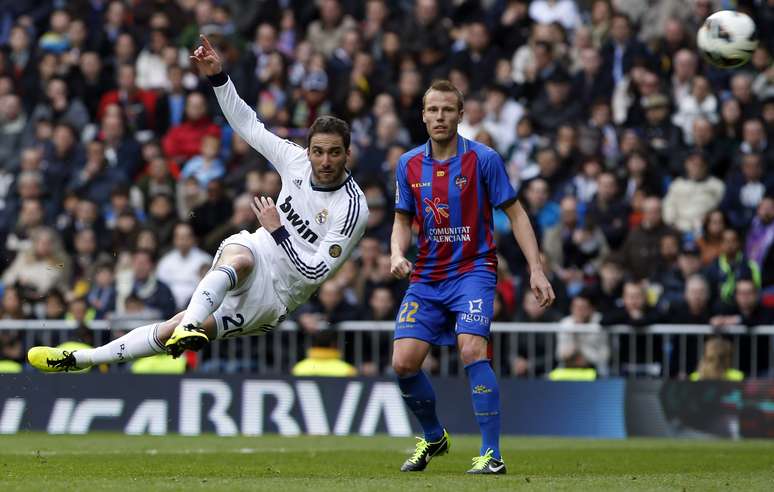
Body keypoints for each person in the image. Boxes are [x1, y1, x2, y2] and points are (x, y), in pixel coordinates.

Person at [27, 35, 368, 373]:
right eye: (318, 151)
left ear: (347, 154)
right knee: (240, 259)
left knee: (169, 328)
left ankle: (143, 340)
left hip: (277, 295)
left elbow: (314, 274)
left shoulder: (351, 208)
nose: (325, 161)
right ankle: (81, 359)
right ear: (308, 150)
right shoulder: (294, 161)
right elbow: (248, 124)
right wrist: (218, 77)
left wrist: (279, 231)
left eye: (334, 153)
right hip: (259, 249)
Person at [390, 79, 555, 475]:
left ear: (460, 115)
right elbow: (401, 219)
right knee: (403, 363)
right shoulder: (408, 164)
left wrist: (536, 268)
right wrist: (396, 253)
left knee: (471, 350)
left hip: (473, 271)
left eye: (448, 110)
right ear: (423, 115)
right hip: (427, 276)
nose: (440, 117)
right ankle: (433, 437)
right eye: (433, 110)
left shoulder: (483, 159)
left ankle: (491, 454)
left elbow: (516, 214)